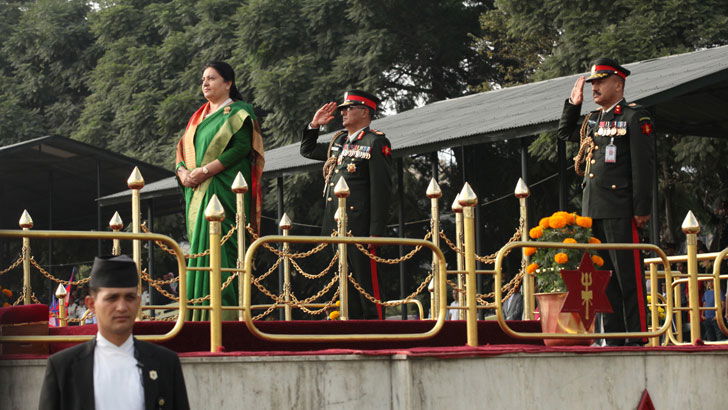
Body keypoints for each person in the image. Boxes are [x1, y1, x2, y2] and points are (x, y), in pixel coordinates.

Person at [557, 58, 655, 346]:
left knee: (628, 277)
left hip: (621, 208)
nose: (594, 88)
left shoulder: (636, 117)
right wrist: (573, 105)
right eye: (592, 83)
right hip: (593, 209)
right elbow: (565, 134)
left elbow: (642, 166)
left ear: (618, 83)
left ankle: (636, 336)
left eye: (600, 82)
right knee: (603, 279)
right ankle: (613, 337)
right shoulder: (593, 120)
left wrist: (642, 209)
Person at [39, 255, 189, 410]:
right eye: (112, 298)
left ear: (138, 303)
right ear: (91, 304)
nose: (122, 307)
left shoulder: (165, 364)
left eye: (129, 297)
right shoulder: (63, 368)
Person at [175, 61, 265, 320]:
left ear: (228, 83)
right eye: (203, 78)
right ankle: (196, 314)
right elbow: (181, 151)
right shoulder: (197, 117)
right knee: (199, 250)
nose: (205, 83)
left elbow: (240, 149)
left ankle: (223, 316)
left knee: (222, 248)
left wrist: (204, 171)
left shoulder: (239, 113)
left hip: (223, 189)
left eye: (212, 78)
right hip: (196, 191)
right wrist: (183, 173)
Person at [300, 90, 394, 319]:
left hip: (360, 226)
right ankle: (352, 324)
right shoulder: (339, 140)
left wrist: (376, 232)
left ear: (365, 112)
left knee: (366, 282)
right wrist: (314, 125)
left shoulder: (375, 141)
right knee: (344, 281)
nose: (343, 113)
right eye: (342, 109)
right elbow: (308, 150)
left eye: (348, 108)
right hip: (336, 225)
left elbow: (381, 189)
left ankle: (376, 329)